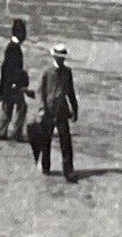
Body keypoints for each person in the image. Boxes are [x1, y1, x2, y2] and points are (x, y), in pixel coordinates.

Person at [37, 43, 79, 181]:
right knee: (45, 140)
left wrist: (75, 108)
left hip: (62, 111)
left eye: (63, 58)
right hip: (48, 111)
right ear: (54, 57)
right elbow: (40, 91)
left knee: (66, 142)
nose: (61, 60)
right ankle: (45, 166)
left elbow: (71, 92)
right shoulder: (47, 72)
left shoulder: (67, 72)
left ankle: (68, 170)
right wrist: (42, 108)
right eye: (59, 57)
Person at [0, 17, 30, 141]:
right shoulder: (14, 49)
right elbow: (13, 69)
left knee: (7, 106)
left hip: (7, 84)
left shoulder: (11, 46)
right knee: (22, 107)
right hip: (13, 84)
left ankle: (2, 131)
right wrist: (20, 82)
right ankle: (17, 133)